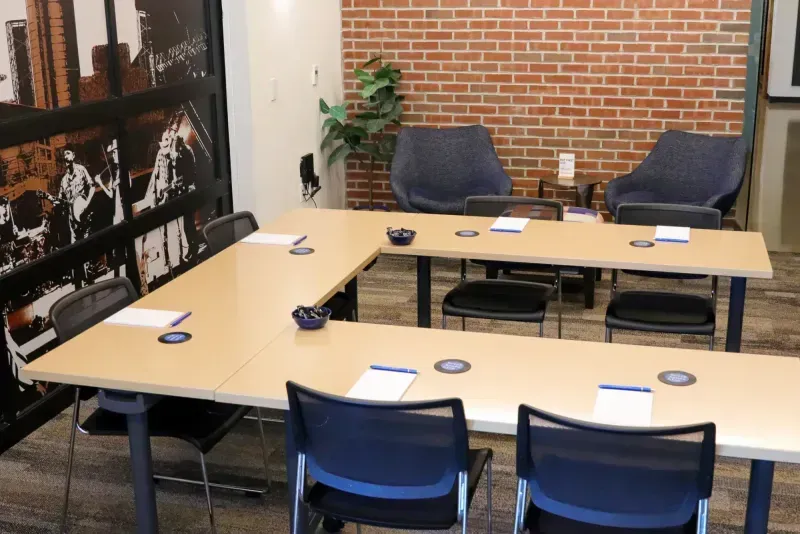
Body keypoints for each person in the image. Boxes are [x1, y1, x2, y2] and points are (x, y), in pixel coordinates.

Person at [57, 148, 97, 243]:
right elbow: (60, 200)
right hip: (72, 223)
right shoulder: (63, 180)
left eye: (68, 153)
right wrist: (54, 201)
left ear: (73, 155)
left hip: (84, 216)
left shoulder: (81, 170)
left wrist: (87, 203)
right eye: (64, 155)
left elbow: (92, 187)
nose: (65, 156)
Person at [94, 140, 124, 225]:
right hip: (117, 211)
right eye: (112, 153)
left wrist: (118, 181)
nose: (113, 155)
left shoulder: (124, 171)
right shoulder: (114, 173)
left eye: (114, 152)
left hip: (124, 210)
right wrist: (100, 183)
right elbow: (111, 195)